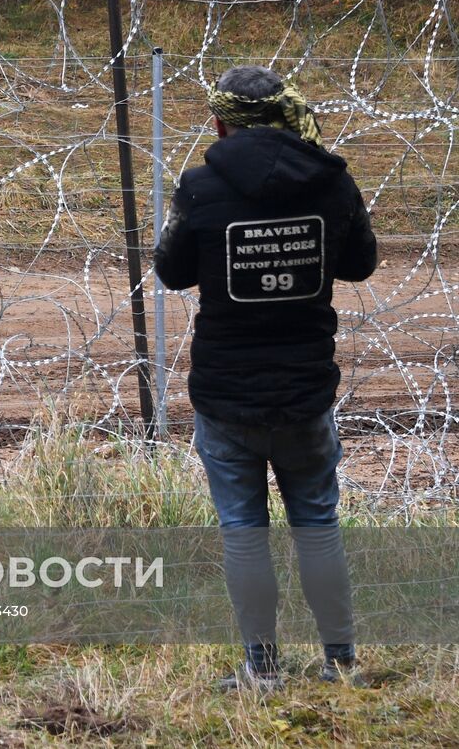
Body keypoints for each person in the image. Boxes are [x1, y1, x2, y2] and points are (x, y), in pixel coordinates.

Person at [154, 65, 377, 691]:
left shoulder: (199, 187)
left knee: (243, 533)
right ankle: (340, 662)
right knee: (317, 525)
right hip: (305, 392)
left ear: (221, 122)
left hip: (226, 395)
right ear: (286, 117)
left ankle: (262, 668)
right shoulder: (331, 181)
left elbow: (171, 272)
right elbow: (361, 264)